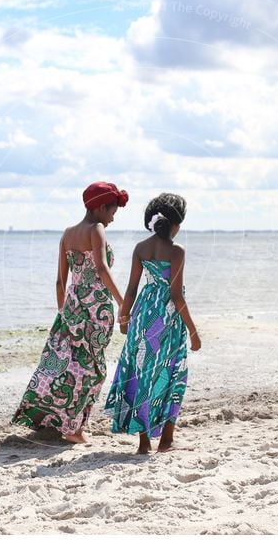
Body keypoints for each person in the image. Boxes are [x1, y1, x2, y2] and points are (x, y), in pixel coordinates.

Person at [11, 181, 127, 444]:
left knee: (63, 363)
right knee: (92, 368)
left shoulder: (66, 234)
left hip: (71, 306)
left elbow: (59, 281)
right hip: (96, 308)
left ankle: (52, 420)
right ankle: (73, 428)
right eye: (111, 212)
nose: (111, 219)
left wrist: (64, 313)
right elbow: (102, 270)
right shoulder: (95, 229)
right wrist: (122, 303)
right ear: (99, 208)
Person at [104, 192, 201, 454]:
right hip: (167, 318)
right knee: (173, 373)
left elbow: (132, 288)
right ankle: (167, 440)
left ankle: (144, 443)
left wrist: (124, 318)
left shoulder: (140, 248)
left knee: (142, 374)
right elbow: (176, 294)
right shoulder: (177, 251)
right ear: (176, 225)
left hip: (143, 316)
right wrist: (193, 331)